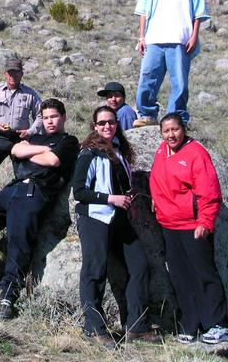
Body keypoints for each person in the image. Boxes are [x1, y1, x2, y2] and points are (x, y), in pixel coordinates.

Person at [0, 99, 79, 320]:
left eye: (54, 117)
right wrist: (41, 149)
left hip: (36, 192)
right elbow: (16, 150)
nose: (49, 121)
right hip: (15, 188)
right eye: (45, 117)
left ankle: (9, 294)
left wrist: (33, 153)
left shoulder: (69, 141)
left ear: (63, 117)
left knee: (18, 238)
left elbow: (54, 161)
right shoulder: (37, 137)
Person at [72, 106, 160, 348]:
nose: (107, 127)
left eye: (111, 122)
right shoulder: (88, 153)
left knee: (140, 265)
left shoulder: (119, 152)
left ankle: (137, 327)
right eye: (101, 123)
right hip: (95, 218)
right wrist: (112, 198)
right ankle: (94, 329)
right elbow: (79, 192)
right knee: (95, 271)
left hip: (120, 218)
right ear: (94, 126)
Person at [149, 113, 228, 344]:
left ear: (183, 129)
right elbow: (157, 180)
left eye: (175, 129)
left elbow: (209, 192)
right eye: (166, 131)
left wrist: (205, 221)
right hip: (169, 225)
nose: (170, 134)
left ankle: (218, 325)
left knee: (204, 274)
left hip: (193, 225)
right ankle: (191, 324)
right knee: (180, 277)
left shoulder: (196, 153)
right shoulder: (161, 151)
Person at [132, 0, 210, 127]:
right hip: (154, 39)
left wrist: (194, 35)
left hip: (180, 39)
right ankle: (147, 114)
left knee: (180, 82)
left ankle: (176, 119)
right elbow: (143, 11)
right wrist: (142, 37)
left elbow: (198, 11)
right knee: (148, 77)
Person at [0, 57, 42, 205]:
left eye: (16, 72)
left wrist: (30, 131)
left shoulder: (30, 94)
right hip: (0, 138)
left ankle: (23, 205)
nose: (12, 76)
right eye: (10, 72)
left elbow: (41, 115)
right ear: (5, 73)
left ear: (21, 74)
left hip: (21, 140)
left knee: (24, 176)